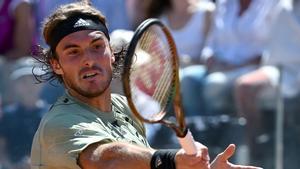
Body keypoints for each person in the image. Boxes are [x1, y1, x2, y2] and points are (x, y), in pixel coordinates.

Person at [30, 1, 262, 169]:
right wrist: (172, 160)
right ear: (56, 65)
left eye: (97, 46)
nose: (89, 58)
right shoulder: (58, 123)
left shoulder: (125, 108)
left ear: (112, 54)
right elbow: (107, 160)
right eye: (73, 51)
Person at [234, 0, 300, 167]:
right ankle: (255, 144)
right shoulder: (280, 5)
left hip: (296, 70)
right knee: (244, 86)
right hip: (275, 68)